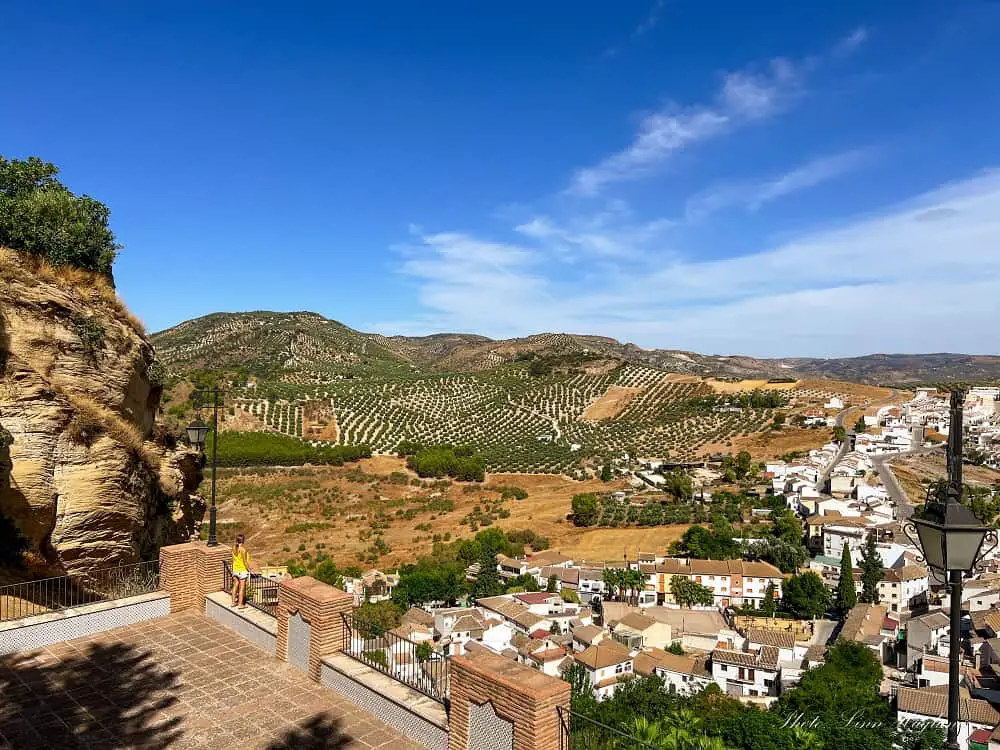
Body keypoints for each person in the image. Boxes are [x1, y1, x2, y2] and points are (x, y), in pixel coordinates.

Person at [231, 534, 251, 608]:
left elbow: (233, 559)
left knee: (235, 586)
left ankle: (233, 603)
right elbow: (245, 562)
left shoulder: (233, 548)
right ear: (243, 541)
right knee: (242, 588)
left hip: (235, 569)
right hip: (242, 570)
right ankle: (240, 604)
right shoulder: (243, 550)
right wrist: (249, 570)